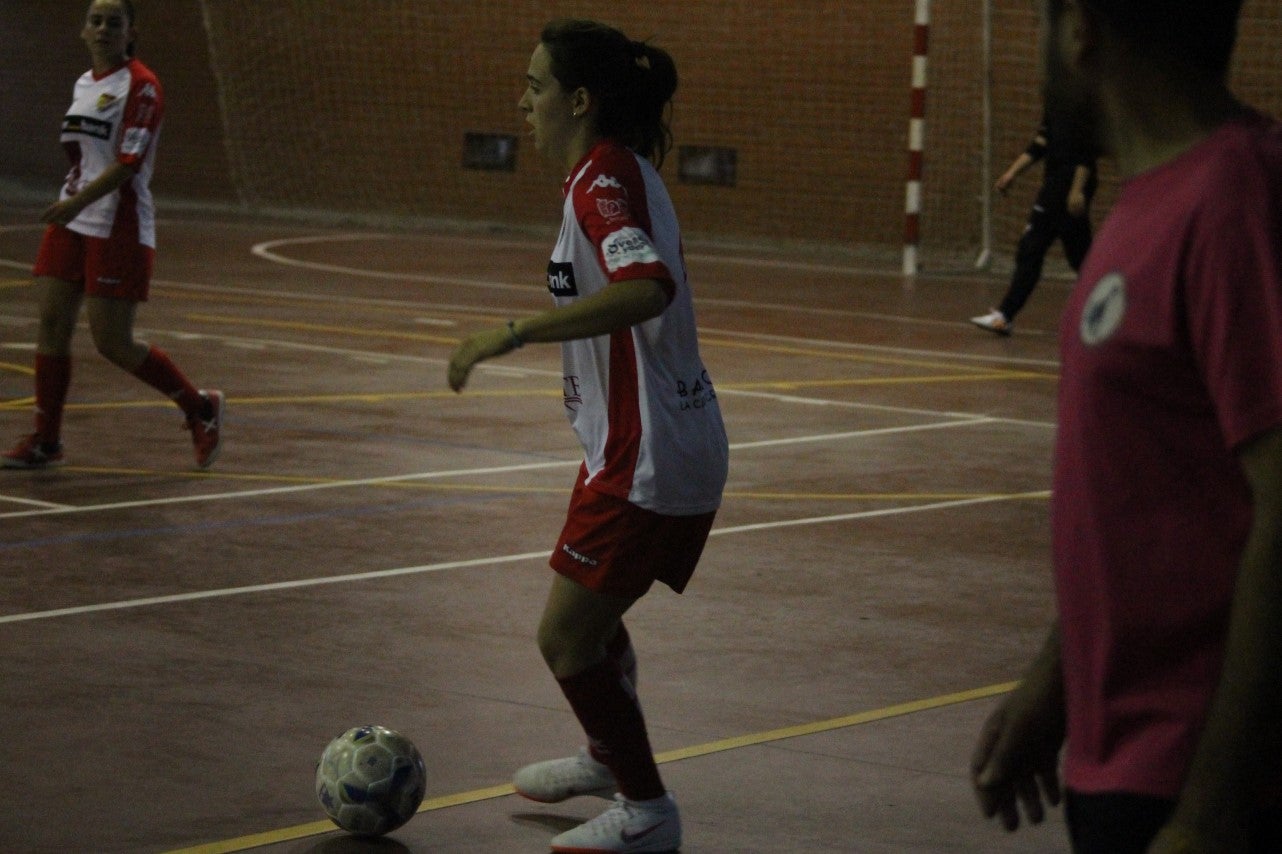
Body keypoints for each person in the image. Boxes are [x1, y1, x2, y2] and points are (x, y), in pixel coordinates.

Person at [969, 1, 1282, 853]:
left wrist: (1209, 812)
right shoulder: (1150, 204)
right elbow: (1147, 502)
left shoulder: (1235, 200)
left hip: (1196, 772)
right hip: (1121, 756)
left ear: (1081, 29)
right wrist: (1057, 683)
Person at [447, 19, 728, 854]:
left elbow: (646, 287)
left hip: (650, 456)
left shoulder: (602, 179)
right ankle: (609, 754)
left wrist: (514, 333)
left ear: (577, 100)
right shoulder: (606, 173)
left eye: (534, 86)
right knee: (591, 624)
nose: (521, 102)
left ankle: (647, 810)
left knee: (565, 637)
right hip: (630, 446)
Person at [2, 0, 223, 470]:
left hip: (116, 224)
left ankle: (199, 406)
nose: (103, 29)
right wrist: (73, 202)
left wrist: (77, 203)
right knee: (52, 322)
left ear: (130, 33)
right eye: (95, 21)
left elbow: (128, 163)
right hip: (74, 217)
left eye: (114, 23)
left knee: (112, 342)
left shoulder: (142, 86)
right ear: (83, 31)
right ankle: (46, 440)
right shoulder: (85, 84)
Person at [970, 113, 1098, 336]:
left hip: (1066, 188)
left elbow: (1087, 154)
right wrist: (1012, 173)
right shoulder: (1056, 104)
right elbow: (1040, 144)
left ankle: (1005, 315)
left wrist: (1077, 189)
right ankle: (1004, 316)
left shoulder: (1083, 103)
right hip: (1054, 184)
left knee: (1038, 249)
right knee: (1074, 255)